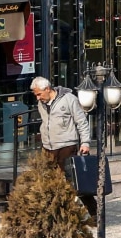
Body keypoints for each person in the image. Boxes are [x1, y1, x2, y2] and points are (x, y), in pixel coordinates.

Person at [31, 76, 96, 216]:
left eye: (39, 94)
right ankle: (54, 215)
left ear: (47, 89)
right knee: (47, 182)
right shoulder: (42, 103)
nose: (37, 98)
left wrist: (85, 143)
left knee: (74, 182)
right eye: (35, 95)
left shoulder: (69, 99)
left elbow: (82, 122)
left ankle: (95, 213)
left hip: (67, 146)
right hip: (48, 148)